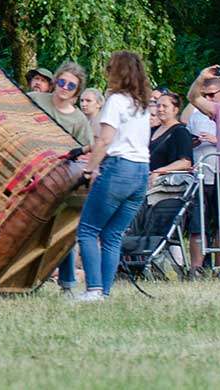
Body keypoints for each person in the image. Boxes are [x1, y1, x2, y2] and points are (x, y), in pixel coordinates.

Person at [70, 52, 152, 302]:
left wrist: (88, 169)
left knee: (87, 230)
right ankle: (104, 291)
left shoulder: (115, 100)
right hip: (141, 171)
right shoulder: (142, 103)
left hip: (119, 168)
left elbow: (105, 140)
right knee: (112, 234)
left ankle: (93, 289)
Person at [30, 61, 96, 293]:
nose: (64, 87)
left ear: (76, 92)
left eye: (71, 85)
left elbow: (88, 149)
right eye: (62, 81)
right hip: (27, 171)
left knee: (61, 230)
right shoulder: (35, 100)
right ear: (55, 81)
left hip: (59, 178)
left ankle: (67, 283)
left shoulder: (78, 119)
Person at [183, 75, 220, 273]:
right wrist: (193, 142)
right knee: (197, 224)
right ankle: (196, 267)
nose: (208, 98)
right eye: (204, 95)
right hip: (200, 175)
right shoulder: (196, 115)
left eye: (212, 95)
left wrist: (217, 140)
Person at [147, 90, 195, 178]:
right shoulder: (152, 130)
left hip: (165, 184)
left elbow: (185, 163)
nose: (160, 109)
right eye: (158, 106)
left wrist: (159, 171)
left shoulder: (181, 132)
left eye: (164, 106)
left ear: (175, 110)